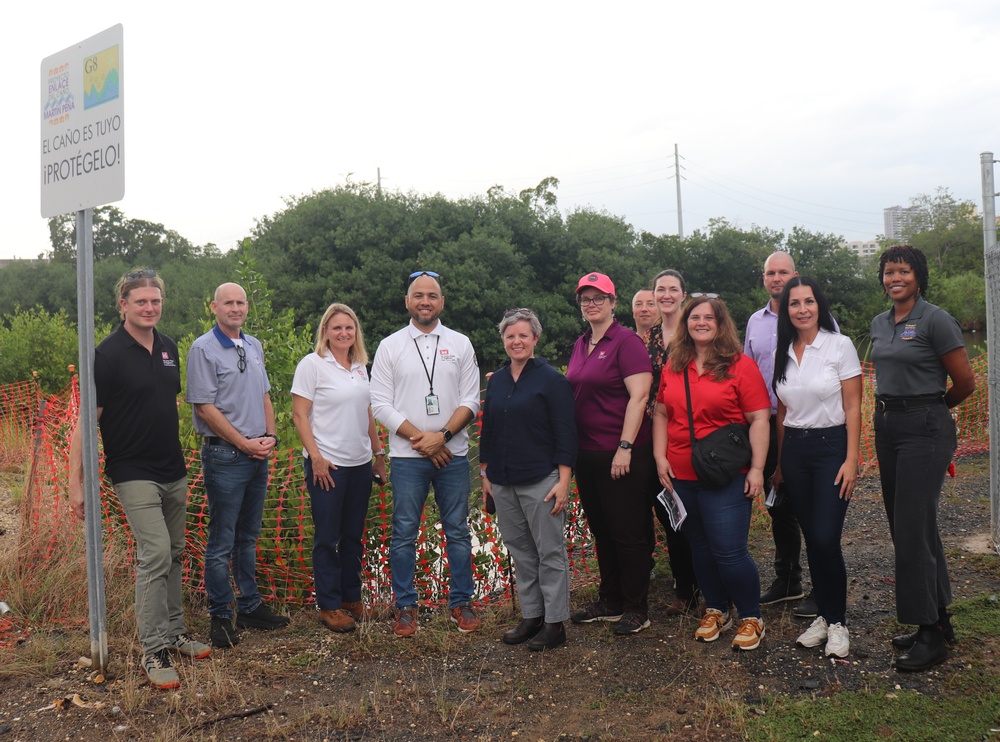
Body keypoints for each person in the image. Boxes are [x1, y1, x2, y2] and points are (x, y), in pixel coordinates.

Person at [69, 269, 210, 690]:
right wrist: (75, 483)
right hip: (132, 471)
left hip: (173, 467)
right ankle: (153, 650)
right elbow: (85, 424)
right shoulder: (107, 354)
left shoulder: (168, 347)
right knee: (155, 553)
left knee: (177, 551)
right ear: (123, 305)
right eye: (141, 302)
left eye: (156, 301)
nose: (150, 308)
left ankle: (174, 632)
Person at [870, 245, 976, 672]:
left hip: (925, 427)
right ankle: (941, 619)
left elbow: (966, 382)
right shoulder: (879, 323)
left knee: (913, 528)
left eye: (904, 271)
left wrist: (931, 410)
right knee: (908, 525)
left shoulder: (935, 319)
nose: (895, 277)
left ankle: (930, 635)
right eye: (889, 271)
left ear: (919, 276)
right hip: (887, 425)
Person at [652, 295, 771, 651]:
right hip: (680, 473)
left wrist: (758, 469)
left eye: (708, 317)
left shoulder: (740, 366)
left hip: (725, 474)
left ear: (720, 323)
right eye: (694, 317)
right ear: (686, 323)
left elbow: (759, 419)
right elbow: (660, 412)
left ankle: (751, 615)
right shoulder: (674, 364)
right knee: (699, 547)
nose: (700, 323)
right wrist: (659, 457)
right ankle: (717, 608)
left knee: (729, 551)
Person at [370, 271, 482, 637]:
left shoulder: (461, 344)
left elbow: (471, 400)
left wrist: (444, 436)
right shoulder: (390, 346)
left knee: (458, 532)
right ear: (407, 301)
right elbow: (379, 404)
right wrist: (424, 440)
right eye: (418, 295)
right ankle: (405, 606)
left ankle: (461, 602)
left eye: (432, 296)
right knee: (404, 532)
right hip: (406, 458)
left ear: (442, 302)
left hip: (454, 453)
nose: (425, 301)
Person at [186, 283, 290, 650]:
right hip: (226, 456)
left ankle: (249, 606)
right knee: (221, 542)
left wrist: (271, 436)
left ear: (248, 306)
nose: (235, 308)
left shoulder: (254, 344)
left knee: (248, 537)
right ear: (214, 306)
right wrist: (242, 442)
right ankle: (220, 616)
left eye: (241, 302)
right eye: (228, 302)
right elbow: (204, 408)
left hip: (257, 453)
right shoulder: (203, 348)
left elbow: (264, 396)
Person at [771, 277, 862, 658]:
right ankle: (823, 617)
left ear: (819, 305)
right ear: (786, 309)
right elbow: (782, 410)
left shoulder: (839, 345)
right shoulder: (784, 350)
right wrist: (778, 463)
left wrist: (852, 459)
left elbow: (855, 405)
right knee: (812, 537)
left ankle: (838, 622)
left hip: (830, 448)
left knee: (826, 537)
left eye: (809, 301)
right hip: (794, 450)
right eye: (795, 303)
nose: (802, 309)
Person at [480, 309, 577, 650]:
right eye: (510, 336)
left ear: (535, 338)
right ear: (503, 340)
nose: (516, 341)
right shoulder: (498, 380)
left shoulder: (552, 380)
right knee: (521, 552)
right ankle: (532, 616)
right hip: (503, 480)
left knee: (549, 553)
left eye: (523, 335)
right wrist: (485, 474)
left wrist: (564, 481)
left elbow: (566, 434)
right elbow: (488, 430)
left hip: (541, 480)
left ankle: (555, 623)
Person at [566, 272, 655, 635]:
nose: (592, 303)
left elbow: (640, 396)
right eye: (585, 298)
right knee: (602, 530)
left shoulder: (627, 341)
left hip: (623, 454)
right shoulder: (580, 342)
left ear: (613, 302)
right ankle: (611, 599)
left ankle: (636, 607)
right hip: (587, 455)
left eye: (598, 297)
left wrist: (624, 446)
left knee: (629, 531)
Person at [291, 303, 387, 634]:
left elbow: (367, 413)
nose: (344, 333)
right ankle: (329, 605)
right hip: (327, 465)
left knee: (352, 537)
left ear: (355, 332)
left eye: (349, 327)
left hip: (360, 465)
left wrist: (378, 455)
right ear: (325, 332)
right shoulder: (312, 365)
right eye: (337, 328)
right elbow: (299, 415)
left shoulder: (360, 366)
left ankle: (351, 598)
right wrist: (315, 457)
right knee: (327, 538)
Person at [744, 251, 815, 618]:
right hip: (766, 422)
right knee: (779, 502)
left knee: (811, 503)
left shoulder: (810, 315)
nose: (776, 278)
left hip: (806, 423)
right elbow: (746, 372)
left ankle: (822, 585)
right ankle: (789, 578)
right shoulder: (755, 322)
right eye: (770, 272)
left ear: (794, 275)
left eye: (782, 272)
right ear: (764, 278)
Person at [643, 270, 699, 616]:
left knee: (698, 512)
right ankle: (685, 587)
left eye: (672, 289)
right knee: (668, 512)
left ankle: (711, 582)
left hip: (692, 435)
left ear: (683, 294)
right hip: (653, 434)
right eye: (660, 289)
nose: (666, 295)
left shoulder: (695, 332)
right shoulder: (645, 338)